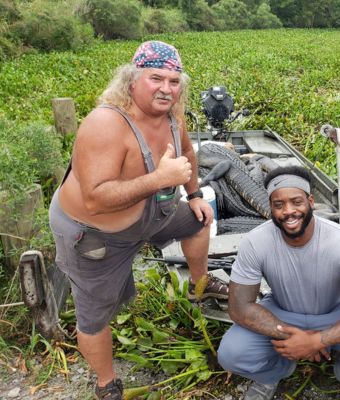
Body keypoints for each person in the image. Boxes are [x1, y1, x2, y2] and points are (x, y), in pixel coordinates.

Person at [49, 40, 229, 400]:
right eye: (156, 78)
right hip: (96, 234)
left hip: (150, 213)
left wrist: (193, 196)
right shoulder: (105, 124)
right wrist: (162, 180)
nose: (167, 88)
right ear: (132, 79)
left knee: (199, 220)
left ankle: (200, 283)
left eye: (174, 81)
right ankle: (106, 383)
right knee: (95, 315)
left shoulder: (170, 113)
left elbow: (188, 152)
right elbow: (96, 199)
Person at [217, 166, 340, 400]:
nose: (288, 212)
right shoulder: (255, 242)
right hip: (283, 313)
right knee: (232, 354)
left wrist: (317, 341)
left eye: (296, 202)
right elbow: (239, 307)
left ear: (311, 201)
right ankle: (275, 373)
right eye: (279, 205)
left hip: (335, 310)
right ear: (270, 207)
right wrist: (292, 338)